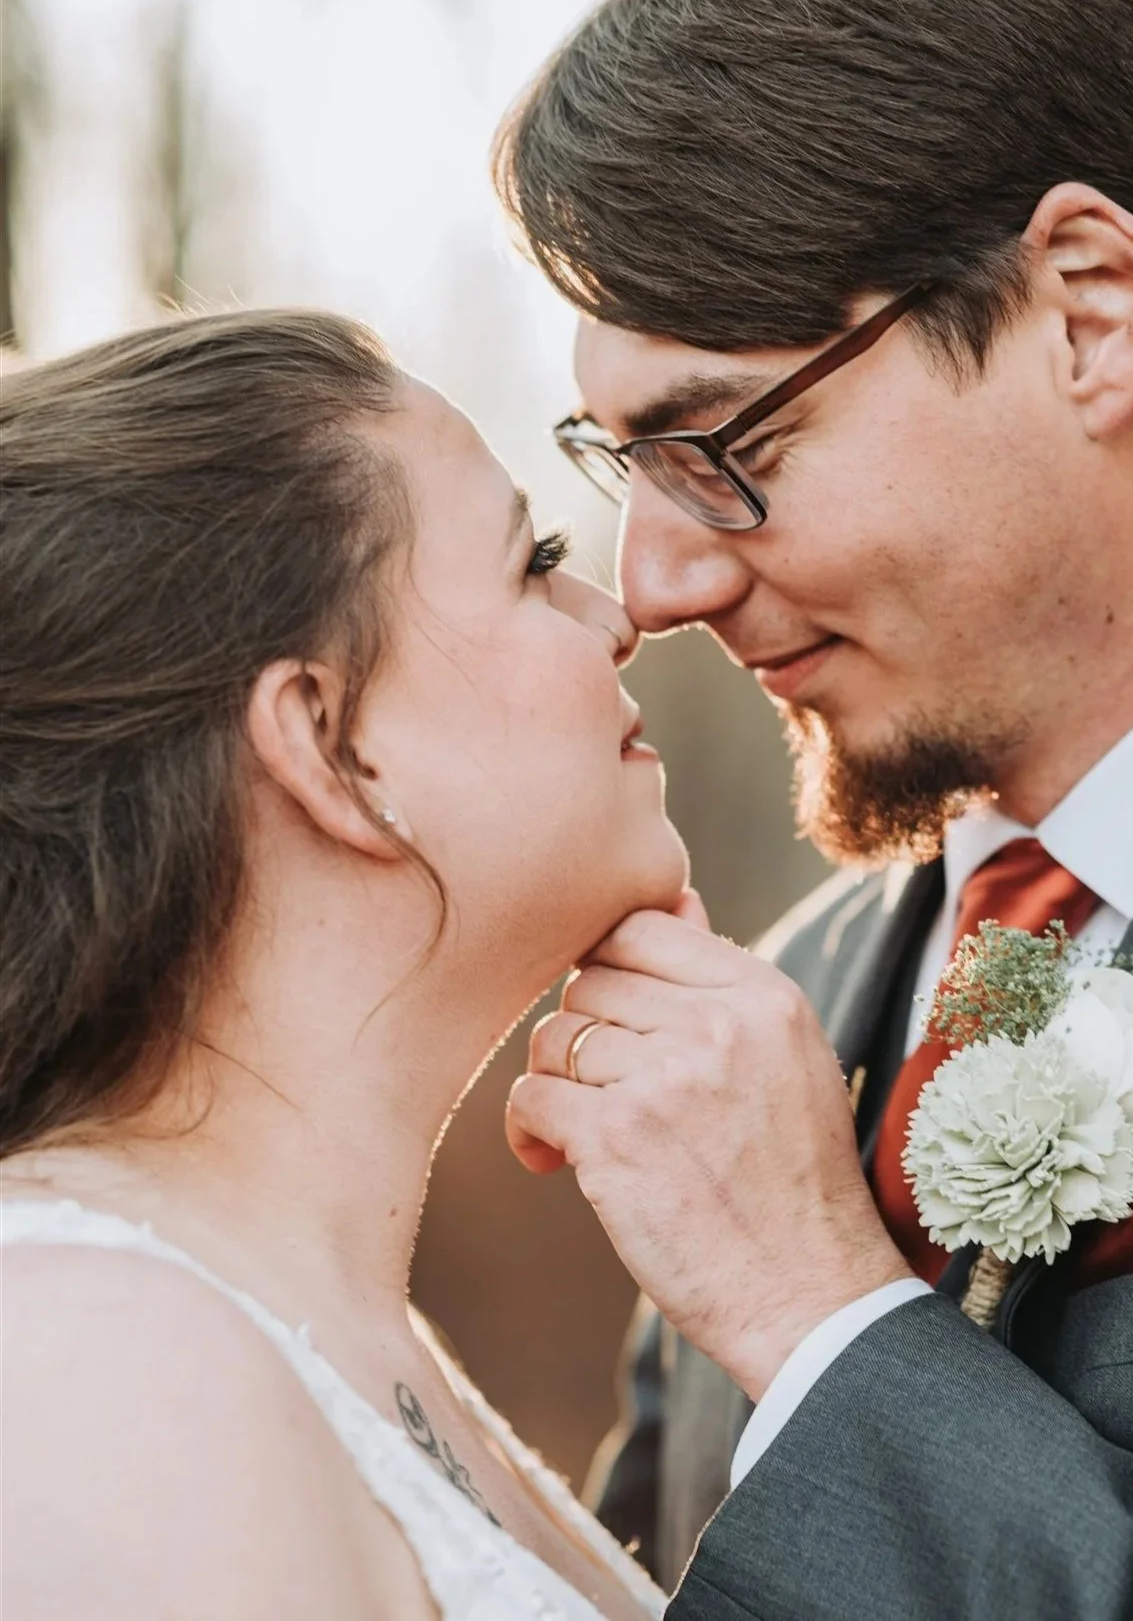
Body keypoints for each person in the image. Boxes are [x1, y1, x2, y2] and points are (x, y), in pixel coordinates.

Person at [492, 0, 1133, 1614]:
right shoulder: (784, 1017)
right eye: (622, 463)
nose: (654, 581)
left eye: (728, 448)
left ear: (1090, 314)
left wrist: (826, 1320)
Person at [0, 309, 689, 1621]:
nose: (619, 612)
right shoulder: (105, 1363)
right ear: (328, 746)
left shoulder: (341, 1336)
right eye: (534, 561)